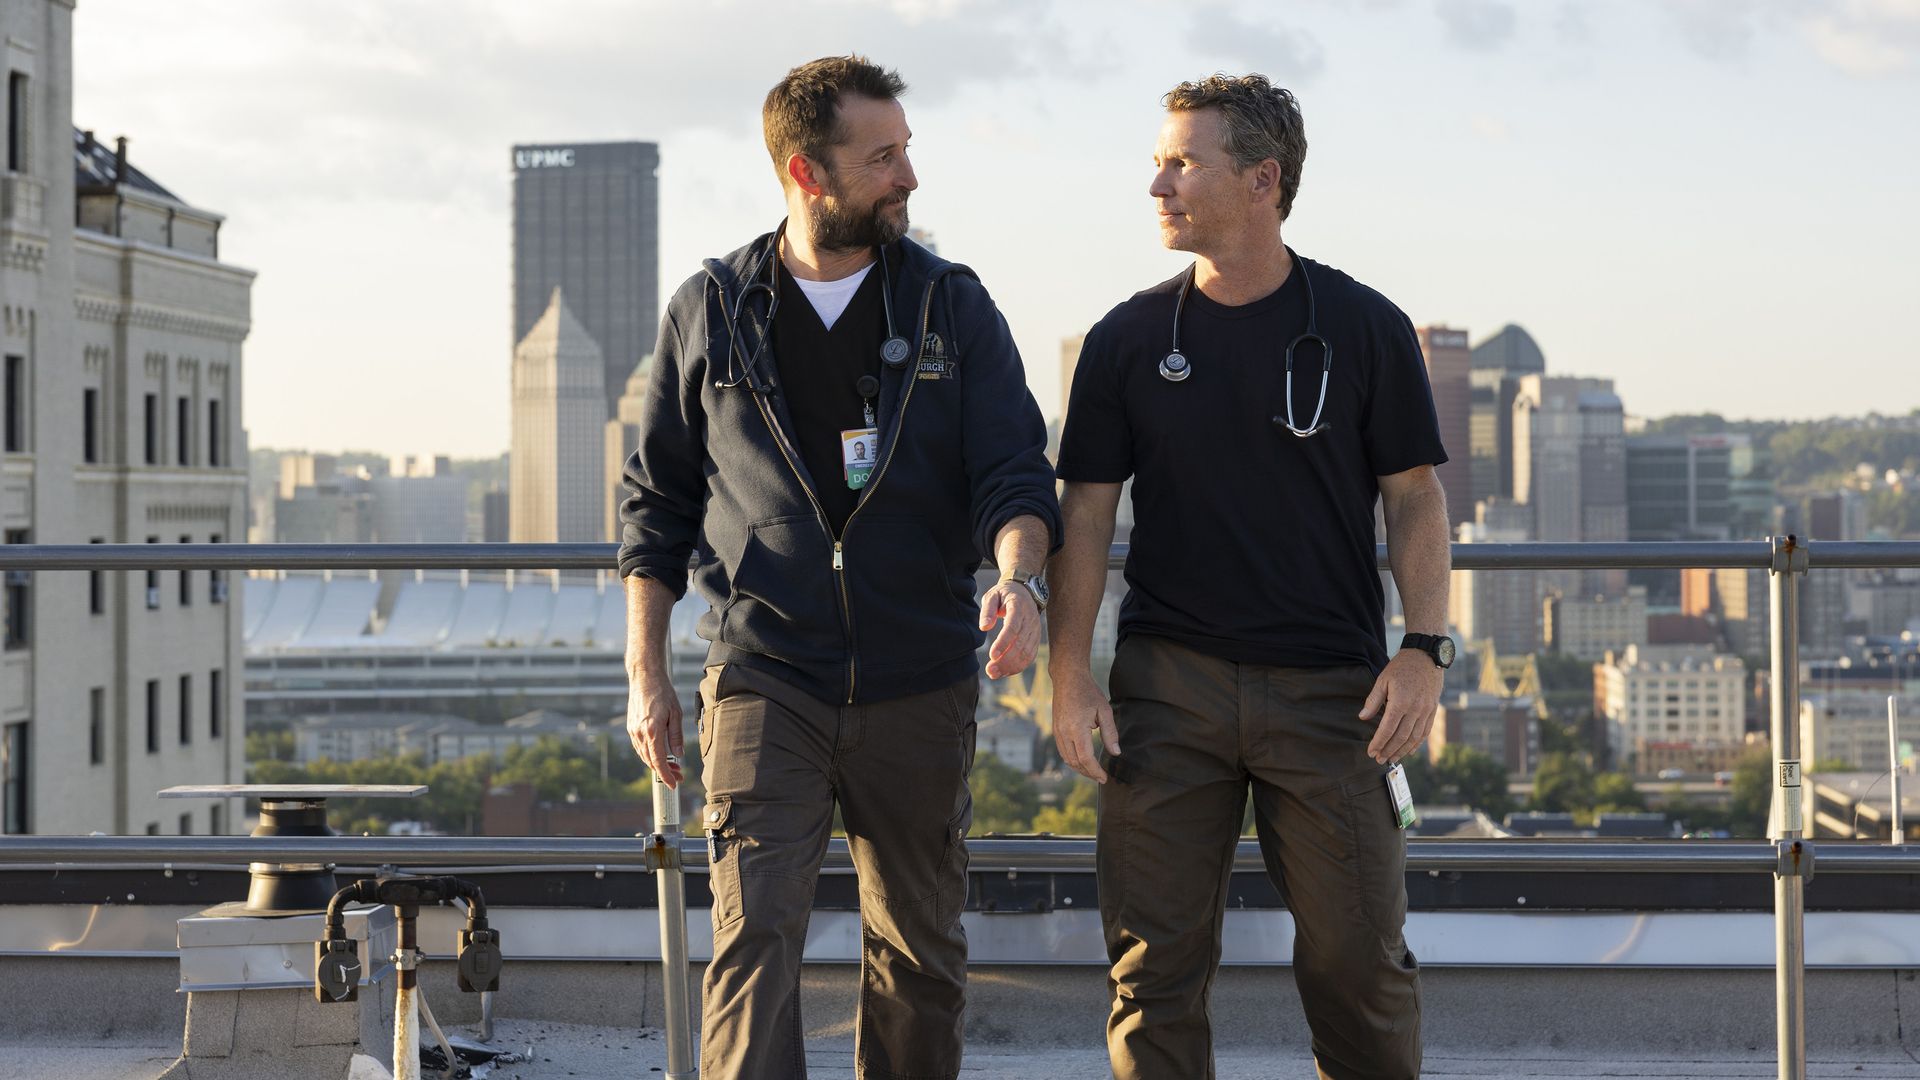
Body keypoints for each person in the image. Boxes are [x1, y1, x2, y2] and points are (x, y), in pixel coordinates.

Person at [617, 55, 1059, 1080]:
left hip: (922, 674)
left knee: (919, 952)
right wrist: (646, 676)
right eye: (884, 156)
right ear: (808, 172)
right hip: (765, 675)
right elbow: (657, 508)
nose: (908, 176)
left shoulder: (951, 304)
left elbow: (1013, 471)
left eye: (905, 150)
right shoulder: (713, 308)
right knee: (754, 942)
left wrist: (1019, 578)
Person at [1047, 73, 1454, 1080]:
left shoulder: (1361, 327)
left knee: (1360, 959)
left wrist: (1425, 650)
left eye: (1182, 162)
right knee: (1154, 968)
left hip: (1333, 692)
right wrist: (1069, 673)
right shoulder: (1128, 341)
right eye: (1159, 161)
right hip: (1167, 690)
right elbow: (1086, 516)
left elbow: (1415, 495)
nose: (1157, 185)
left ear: (1263, 179)